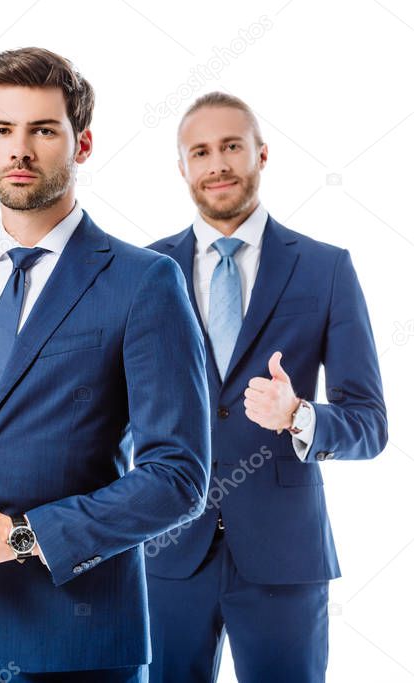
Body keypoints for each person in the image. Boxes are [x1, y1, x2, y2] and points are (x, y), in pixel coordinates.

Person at [0, 47, 211, 681]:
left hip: (77, 640)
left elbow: (179, 476)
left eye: (42, 130)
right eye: (2, 130)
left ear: (82, 143)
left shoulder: (145, 282)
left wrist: (22, 537)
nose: (18, 150)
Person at [144, 92, 389, 683]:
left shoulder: (326, 268)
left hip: (286, 557)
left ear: (261, 153)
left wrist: (299, 415)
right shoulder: (146, 270)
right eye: (200, 151)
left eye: (232, 146)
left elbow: (370, 424)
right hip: (165, 552)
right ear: (182, 168)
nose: (217, 163)